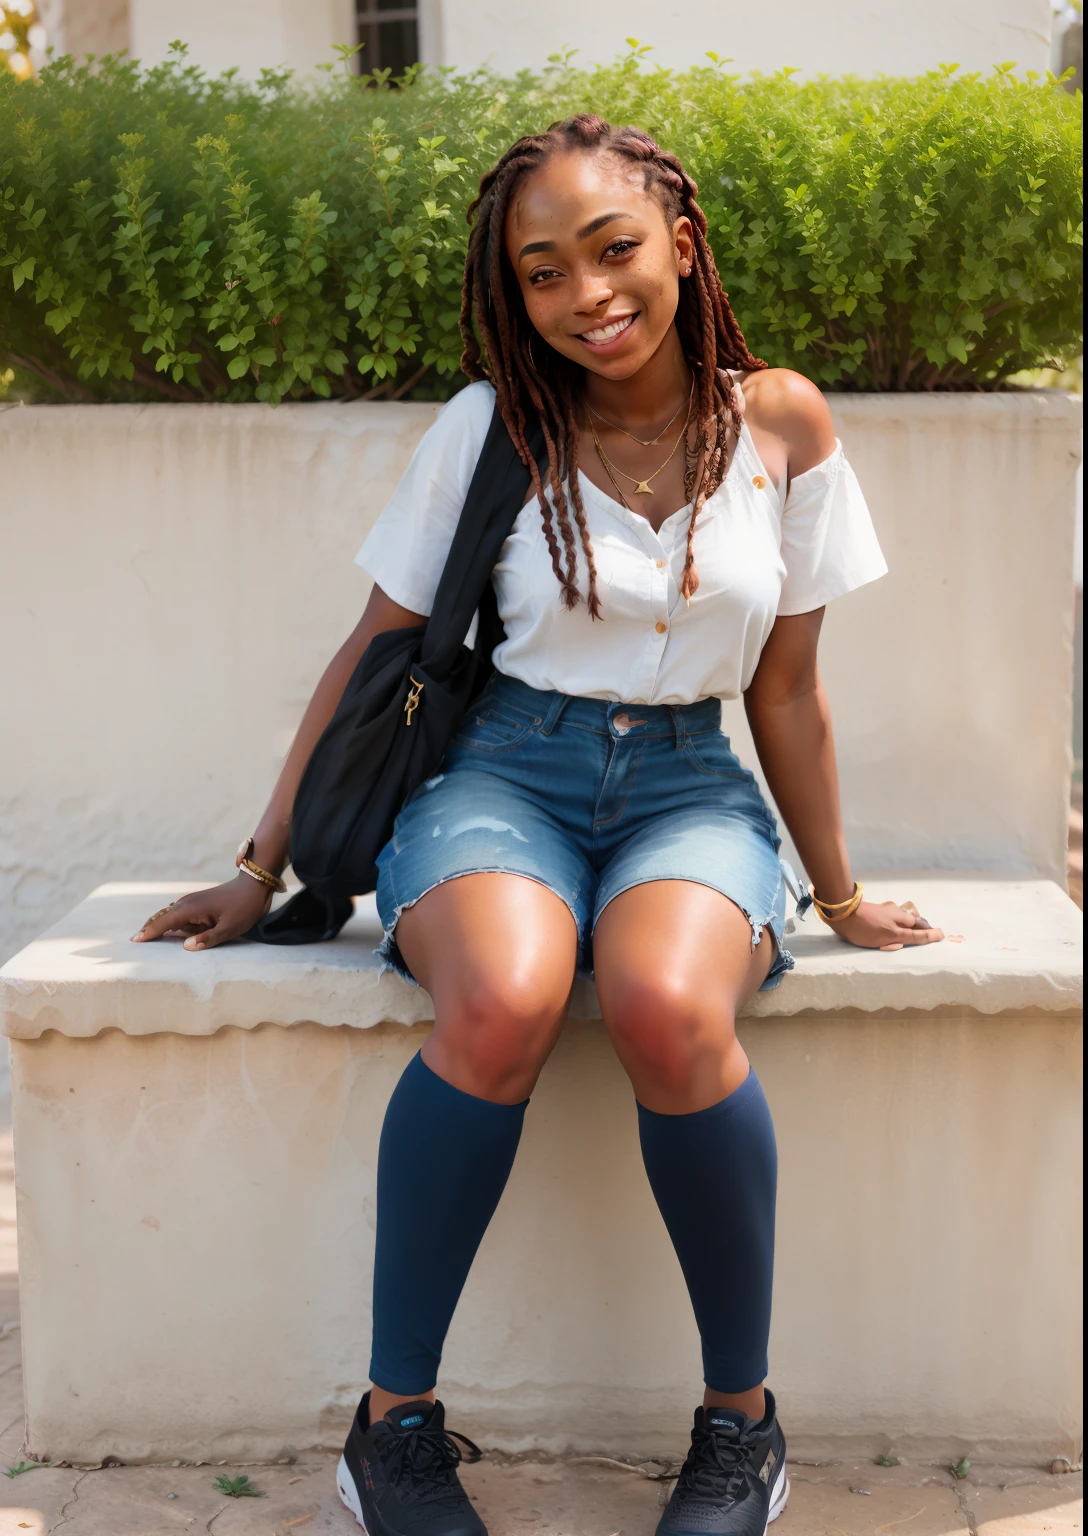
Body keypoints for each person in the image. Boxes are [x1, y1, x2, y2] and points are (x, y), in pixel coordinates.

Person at [133, 114, 943, 1536]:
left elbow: (791, 688)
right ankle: (391, 1430)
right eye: (543, 272)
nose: (588, 295)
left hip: (692, 786)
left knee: (666, 1005)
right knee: (504, 1000)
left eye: (615, 250)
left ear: (680, 245)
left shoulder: (786, 425)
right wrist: (259, 871)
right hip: (505, 774)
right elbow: (370, 651)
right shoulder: (493, 425)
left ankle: (739, 1426)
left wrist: (841, 888)